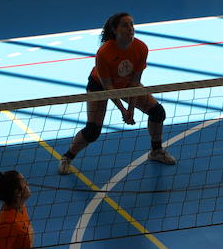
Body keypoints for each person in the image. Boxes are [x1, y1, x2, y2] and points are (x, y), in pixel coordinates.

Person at [57, 11, 176, 173]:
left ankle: (156, 151)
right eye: (125, 25)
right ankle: (67, 157)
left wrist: (131, 110)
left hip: (127, 84)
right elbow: (108, 88)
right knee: (92, 131)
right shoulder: (104, 53)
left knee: (157, 112)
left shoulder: (141, 48)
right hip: (100, 87)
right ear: (115, 30)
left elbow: (135, 83)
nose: (130, 28)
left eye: (132, 24)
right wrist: (123, 111)